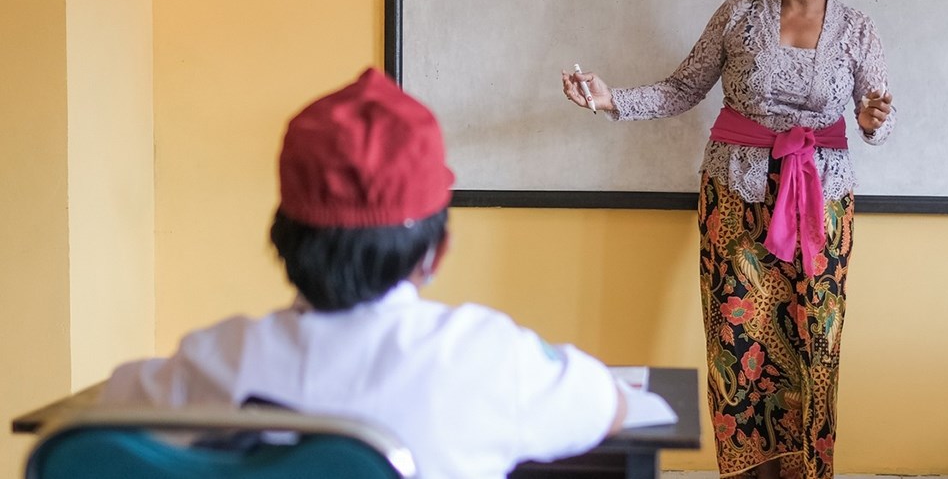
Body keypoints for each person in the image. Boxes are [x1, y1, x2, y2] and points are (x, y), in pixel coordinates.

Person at [102, 68, 627, 479]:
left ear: (282, 240)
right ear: (437, 252)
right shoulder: (489, 357)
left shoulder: (210, 363)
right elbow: (610, 405)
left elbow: (97, 418)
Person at [561, 0, 894, 479]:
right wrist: (613, 101)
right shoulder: (738, 14)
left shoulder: (857, 29)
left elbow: (876, 113)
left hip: (821, 208)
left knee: (815, 345)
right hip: (734, 202)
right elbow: (682, 89)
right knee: (739, 350)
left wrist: (873, 121)